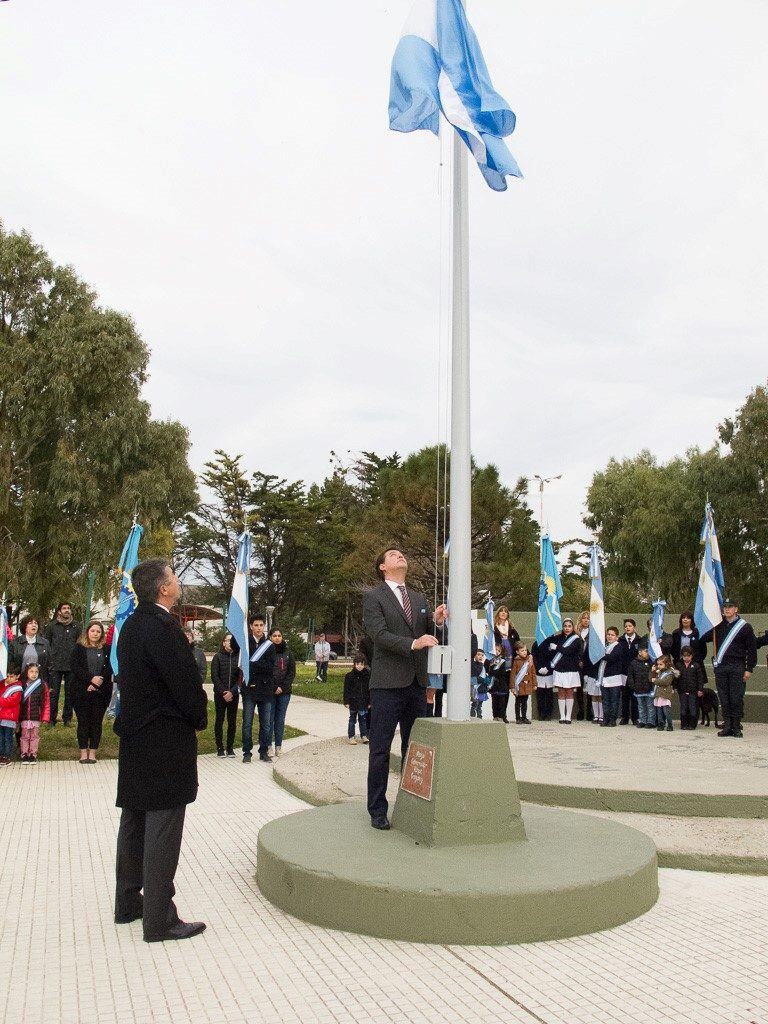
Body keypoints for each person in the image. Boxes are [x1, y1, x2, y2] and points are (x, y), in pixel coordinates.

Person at [114, 558, 208, 943]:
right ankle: (159, 917)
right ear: (163, 589)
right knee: (163, 826)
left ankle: (128, 903)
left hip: (135, 737)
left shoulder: (132, 625)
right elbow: (184, 683)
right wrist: (199, 717)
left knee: (135, 820)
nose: (179, 582)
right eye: (174, 577)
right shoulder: (164, 626)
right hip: (165, 739)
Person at [362, 547, 447, 831]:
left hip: (415, 685)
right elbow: (379, 635)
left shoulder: (419, 598)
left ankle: (411, 805)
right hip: (387, 685)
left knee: (415, 749)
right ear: (383, 567)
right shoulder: (374, 597)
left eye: (402, 554)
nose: (401, 557)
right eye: (393, 555)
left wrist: (436, 622)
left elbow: (429, 636)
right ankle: (377, 809)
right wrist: (413, 644)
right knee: (380, 749)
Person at [701, 598, 757, 738]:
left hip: (737, 666)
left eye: (730, 607)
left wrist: (749, 668)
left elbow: (752, 649)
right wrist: (710, 623)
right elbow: (703, 637)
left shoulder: (745, 627)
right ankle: (727, 726)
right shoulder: (718, 626)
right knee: (724, 697)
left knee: (736, 698)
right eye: (724, 607)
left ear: (736, 609)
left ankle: (736, 727)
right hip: (721, 666)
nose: (727, 609)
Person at [71, 621, 113, 763]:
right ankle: (83, 752)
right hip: (81, 690)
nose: (95, 633)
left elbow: (110, 668)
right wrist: (90, 680)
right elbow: (75, 667)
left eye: (98, 631)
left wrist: (97, 683)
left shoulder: (107, 649)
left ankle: (93, 752)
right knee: (83, 721)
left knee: (96, 722)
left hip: (101, 691)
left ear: (101, 634)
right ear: (87, 632)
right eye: (92, 631)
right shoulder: (79, 648)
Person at [240, 615, 276, 763]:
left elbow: (270, 667)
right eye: (256, 625)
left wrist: (254, 664)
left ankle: (263, 752)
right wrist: (259, 664)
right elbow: (243, 664)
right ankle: (247, 752)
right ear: (251, 626)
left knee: (266, 724)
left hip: (266, 689)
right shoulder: (245, 644)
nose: (259, 628)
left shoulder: (269, 645)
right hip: (249, 688)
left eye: (261, 625)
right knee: (247, 722)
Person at [44, 602, 82, 726]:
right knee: (53, 694)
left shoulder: (77, 626)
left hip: (71, 665)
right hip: (55, 665)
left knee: (70, 693)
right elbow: (47, 644)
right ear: (59, 611)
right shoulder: (52, 626)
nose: (67, 610)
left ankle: (67, 719)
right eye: (64, 608)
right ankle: (51, 719)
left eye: (68, 608)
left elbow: (79, 645)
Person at [547, 618, 583, 724]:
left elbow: (568, 651)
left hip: (571, 669)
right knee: (561, 692)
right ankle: (562, 716)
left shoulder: (576, 639)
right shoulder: (558, 638)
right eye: (565, 626)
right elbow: (551, 649)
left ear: (573, 628)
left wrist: (557, 647)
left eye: (569, 626)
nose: (567, 628)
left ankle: (568, 716)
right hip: (559, 669)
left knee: (569, 692)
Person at [210, 633, 241, 757]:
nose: (229, 642)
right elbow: (214, 676)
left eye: (231, 640)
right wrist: (223, 692)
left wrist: (232, 692)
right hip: (220, 695)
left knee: (232, 721)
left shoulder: (238, 657)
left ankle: (230, 747)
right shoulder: (217, 657)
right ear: (223, 643)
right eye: (227, 640)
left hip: (233, 695)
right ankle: (220, 748)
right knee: (219, 720)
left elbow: (240, 678)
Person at [268, 627, 295, 758]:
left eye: (279, 635)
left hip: (284, 692)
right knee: (269, 719)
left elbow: (291, 673)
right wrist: (274, 687)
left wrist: (282, 687)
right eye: (274, 635)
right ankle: (268, 746)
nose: (277, 638)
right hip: (270, 692)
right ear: (270, 637)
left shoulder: (288, 653)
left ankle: (278, 746)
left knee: (280, 719)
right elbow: (266, 671)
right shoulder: (267, 652)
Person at [11, 617, 51, 700]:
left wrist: (49, 683)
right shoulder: (15, 643)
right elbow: (11, 662)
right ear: (24, 627)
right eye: (30, 623)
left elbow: (49, 663)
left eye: (35, 623)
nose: (34, 625)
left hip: (39, 682)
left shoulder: (45, 643)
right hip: (20, 681)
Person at [18, 663, 51, 762]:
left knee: (34, 737)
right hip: (24, 716)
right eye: (31, 671)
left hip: (36, 716)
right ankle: (24, 754)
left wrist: (45, 716)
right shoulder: (22, 684)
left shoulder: (42, 685)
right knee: (24, 736)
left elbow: (46, 702)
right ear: (26, 672)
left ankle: (33, 754)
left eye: (36, 672)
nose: (34, 674)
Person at [675, 647, 707, 730]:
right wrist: (675, 687)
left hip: (693, 691)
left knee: (692, 707)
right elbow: (676, 678)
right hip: (682, 690)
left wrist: (700, 689)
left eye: (688, 656)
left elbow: (700, 679)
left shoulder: (696, 665)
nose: (686, 657)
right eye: (684, 656)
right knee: (683, 708)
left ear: (692, 656)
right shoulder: (678, 665)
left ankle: (692, 725)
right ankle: (683, 724)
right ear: (682, 656)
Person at [598, 627, 624, 727]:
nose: (609, 636)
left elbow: (612, 658)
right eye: (608, 634)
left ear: (616, 637)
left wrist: (599, 654)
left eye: (612, 635)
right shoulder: (605, 646)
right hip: (604, 677)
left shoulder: (618, 646)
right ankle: (606, 718)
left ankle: (612, 719)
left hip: (614, 678)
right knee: (605, 700)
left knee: (614, 700)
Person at [343, 654, 371, 744]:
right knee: (352, 720)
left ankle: (364, 736)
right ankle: (351, 736)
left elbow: (369, 690)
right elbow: (346, 690)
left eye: (362, 664)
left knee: (363, 720)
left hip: (363, 702)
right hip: (353, 702)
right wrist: (346, 701)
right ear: (354, 664)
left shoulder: (367, 676)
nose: (360, 666)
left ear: (364, 665)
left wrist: (370, 701)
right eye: (358, 664)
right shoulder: (349, 676)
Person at [618, 619, 642, 725]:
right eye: (626, 626)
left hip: (635, 673)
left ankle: (635, 718)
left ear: (634, 628)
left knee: (635, 696)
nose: (628, 628)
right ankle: (624, 717)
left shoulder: (639, 640)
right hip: (623, 672)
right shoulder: (620, 640)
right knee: (625, 696)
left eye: (630, 626)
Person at [0, 666, 23, 765]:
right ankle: (1, 754)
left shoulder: (17, 689)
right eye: (8, 676)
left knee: (8, 737)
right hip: (1, 716)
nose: (9, 678)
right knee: (1, 737)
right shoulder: (4, 685)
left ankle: (7, 756)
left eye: (12, 676)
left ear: (17, 676)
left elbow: (11, 701)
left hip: (10, 717)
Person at [626, 648, 654, 728]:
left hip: (649, 688)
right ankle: (642, 721)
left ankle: (650, 721)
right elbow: (630, 675)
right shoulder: (634, 663)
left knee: (650, 706)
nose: (648, 653)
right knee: (641, 706)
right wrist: (633, 685)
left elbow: (654, 675)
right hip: (638, 688)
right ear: (640, 652)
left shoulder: (651, 662)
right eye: (646, 651)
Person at [510, 641, 535, 724]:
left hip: (527, 685)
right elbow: (513, 675)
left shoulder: (529, 661)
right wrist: (512, 687)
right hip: (519, 685)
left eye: (525, 650)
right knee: (518, 702)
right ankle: (518, 718)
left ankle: (524, 717)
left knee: (525, 702)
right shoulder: (516, 661)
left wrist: (534, 684)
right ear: (517, 652)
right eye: (522, 651)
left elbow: (533, 673)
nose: (524, 652)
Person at [652, 655, 679, 731]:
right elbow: (651, 679)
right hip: (658, 694)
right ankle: (661, 724)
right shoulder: (659, 672)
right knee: (659, 712)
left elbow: (666, 682)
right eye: (658, 664)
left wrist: (655, 681)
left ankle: (670, 725)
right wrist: (653, 671)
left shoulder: (670, 673)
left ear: (666, 664)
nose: (659, 666)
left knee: (667, 712)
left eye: (661, 664)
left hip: (665, 695)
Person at [486, 643, 510, 722]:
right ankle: (495, 716)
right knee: (494, 702)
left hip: (501, 684)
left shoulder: (503, 661)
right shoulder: (490, 661)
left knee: (501, 703)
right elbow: (489, 672)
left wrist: (494, 671)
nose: (496, 652)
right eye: (495, 650)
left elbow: (503, 672)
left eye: (499, 650)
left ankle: (501, 716)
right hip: (494, 685)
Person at [532, 639, 555, 721]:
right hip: (539, 672)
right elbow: (534, 657)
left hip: (549, 672)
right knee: (540, 693)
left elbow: (554, 657)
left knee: (549, 693)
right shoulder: (536, 643)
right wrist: (538, 668)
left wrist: (548, 668)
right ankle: (541, 713)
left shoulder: (552, 643)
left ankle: (548, 714)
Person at [575, 611, 592, 721]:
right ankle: (581, 710)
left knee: (590, 688)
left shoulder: (594, 633)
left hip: (590, 664)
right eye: (584, 618)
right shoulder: (576, 633)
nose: (586, 620)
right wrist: (578, 660)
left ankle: (589, 711)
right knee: (579, 688)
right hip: (578, 663)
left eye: (588, 618)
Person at [470, 650, 489, 718]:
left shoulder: (483, 665)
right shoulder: (472, 664)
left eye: (482, 655)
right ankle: (472, 716)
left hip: (481, 688)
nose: (480, 656)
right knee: (475, 703)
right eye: (478, 654)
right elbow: (475, 675)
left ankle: (479, 716)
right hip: (475, 687)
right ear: (474, 656)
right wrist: (481, 679)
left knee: (480, 704)